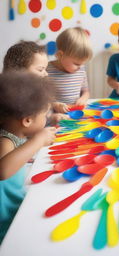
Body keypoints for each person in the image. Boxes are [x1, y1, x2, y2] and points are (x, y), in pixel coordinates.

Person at [0, 72, 57, 244]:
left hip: (17, 201)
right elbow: (3, 170)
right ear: (27, 121)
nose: (46, 118)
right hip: (6, 220)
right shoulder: (5, 141)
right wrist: (38, 141)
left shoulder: (17, 133)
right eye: (45, 115)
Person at [3, 40, 67, 125]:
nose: (46, 73)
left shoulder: (36, 87)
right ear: (19, 71)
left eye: (45, 69)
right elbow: (28, 125)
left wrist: (54, 105)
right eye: (40, 70)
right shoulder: (14, 98)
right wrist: (51, 119)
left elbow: (39, 109)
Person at [47, 27, 93, 113]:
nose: (80, 67)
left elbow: (86, 91)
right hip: (55, 116)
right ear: (60, 55)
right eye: (76, 64)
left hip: (75, 114)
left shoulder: (81, 69)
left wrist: (83, 98)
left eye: (82, 63)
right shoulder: (47, 70)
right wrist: (54, 104)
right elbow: (41, 97)